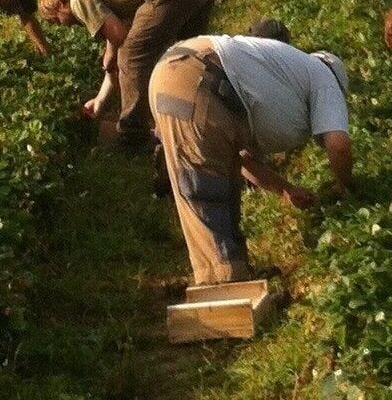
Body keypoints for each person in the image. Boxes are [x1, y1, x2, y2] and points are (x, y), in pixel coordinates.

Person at [148, 34, 354, 286]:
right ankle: (225, 288)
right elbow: (339, 145)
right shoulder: (325, 79)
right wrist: (347, 188)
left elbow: (242, 159)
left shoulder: (283, 73)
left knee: (220, 174)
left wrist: (284, 189)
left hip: (179, 74)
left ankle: (235, 272)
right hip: (200, 79)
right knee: (206, 189)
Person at [43, 0, 219, 145]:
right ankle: (214, 104)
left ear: (60, 5)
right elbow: (118, 38)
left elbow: (120, 41)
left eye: (56, 20)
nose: (63, 26)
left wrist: (109, 57)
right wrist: (101, 99)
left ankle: (132, 134)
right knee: (187, 53)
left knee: (131, 54)